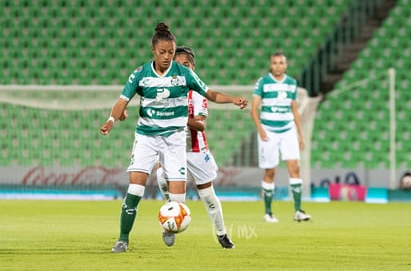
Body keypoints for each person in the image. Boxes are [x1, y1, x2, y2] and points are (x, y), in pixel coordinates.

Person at [99, 22, 247, 253]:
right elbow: (122, 101)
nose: (167, 57)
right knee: (135, 190)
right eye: (163, 52)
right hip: (147, 137)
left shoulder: (184, 74)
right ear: (153, 51)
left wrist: (232, 99)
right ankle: (122, 239)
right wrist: (110, 121)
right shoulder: (140, 74)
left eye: (170, 52)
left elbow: (210, 94)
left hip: (175, 139)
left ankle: (169, 226)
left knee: (179, 201)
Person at [156, 46, 234, 249]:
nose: (183, 68)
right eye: (178, 64)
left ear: (193, 67)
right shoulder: (164, 91)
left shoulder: (198, 93)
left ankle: (222, 234)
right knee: (161, 177)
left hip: (196, 149)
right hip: (173, 148)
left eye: (187, 64)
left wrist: (179, 117)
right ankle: (170, 219)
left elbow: (200, 125)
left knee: (208, 195)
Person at [250, 51, 311, 223]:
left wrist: (300, 134)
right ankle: (268, 212)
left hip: (288, 130)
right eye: (275, 62)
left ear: (286, 65)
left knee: (295, 168)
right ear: (271, 65)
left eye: (281, 62)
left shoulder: (291, 83)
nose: (278, 65)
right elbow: (253, 109)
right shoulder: (263, 82)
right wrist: (261, 130)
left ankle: (298, 211)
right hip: (268, 131)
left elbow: (294, 110)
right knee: (270, 171)